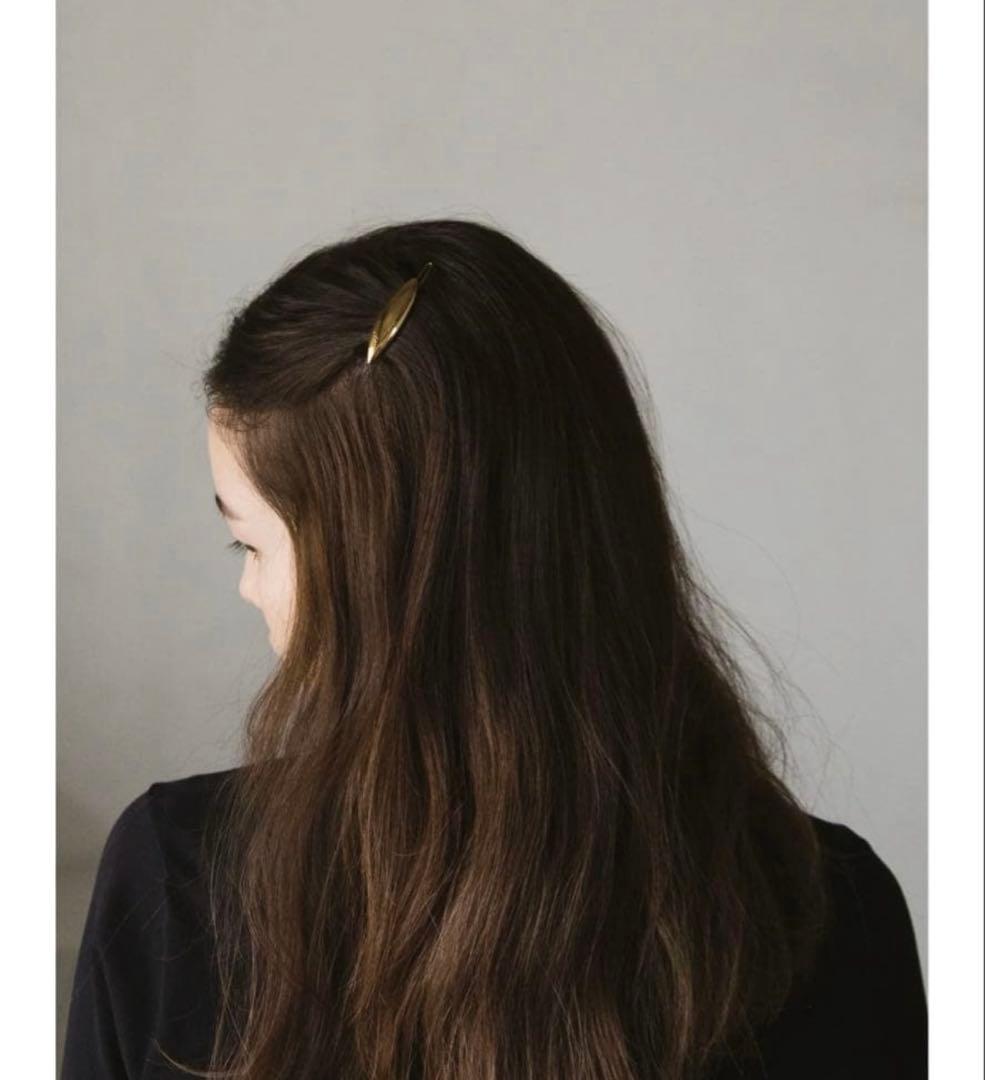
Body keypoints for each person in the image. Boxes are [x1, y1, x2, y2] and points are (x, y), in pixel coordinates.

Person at [61, 218, 927, 1079]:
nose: (249, 588)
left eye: (248, 543)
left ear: (376, 577)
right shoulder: (833, 910)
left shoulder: (180, 881)